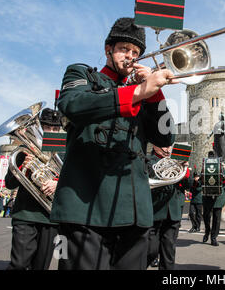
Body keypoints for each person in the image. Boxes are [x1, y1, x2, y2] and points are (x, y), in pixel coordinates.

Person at [51, 17, 178, 270]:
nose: (130, 56)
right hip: (85, 207)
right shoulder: (82, 74)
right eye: (124, 49)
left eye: (135, 52)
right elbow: (73, 105)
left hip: (133, 212)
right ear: (108, 50)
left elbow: (166, 137)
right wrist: (139, 92)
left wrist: (156, 93)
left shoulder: (143, 91)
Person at [5, 108, 62, 270]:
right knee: (19, 264)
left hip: (50, 217)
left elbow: (73, 177)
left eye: (55, 128)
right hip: (26, 214)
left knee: (41, 265)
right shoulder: (24, 150)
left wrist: (57, 182)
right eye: (48, 127)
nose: (52, 131)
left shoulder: (63, 150)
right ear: (40, 127)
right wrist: (24, 164)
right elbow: (9, 184)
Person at [146, 145, 190, 270]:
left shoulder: (177, 161)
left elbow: (189, 184)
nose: (167, 150)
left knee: (168, 253)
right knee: (151, 251)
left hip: (173, 212)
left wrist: (186, 172)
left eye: (169, 146)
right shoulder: (148, 160)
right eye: (163, 146)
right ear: (155, 146)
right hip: (155, 211)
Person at [201, 151, 225, 246]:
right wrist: (200, 179)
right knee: (206, 216)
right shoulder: (204, 166)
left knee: (217, 218)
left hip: (218, 196)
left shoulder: (221, 167)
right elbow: (201, 178)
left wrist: (223, 179)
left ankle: (213, 237)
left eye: (213, 157)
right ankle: (207, 231)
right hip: (207, 195)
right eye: (210, 157)